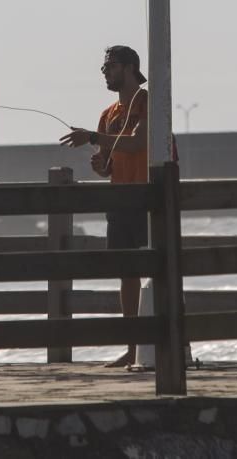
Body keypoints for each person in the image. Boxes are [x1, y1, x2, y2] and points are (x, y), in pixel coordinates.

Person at [59, 45, 148, 368]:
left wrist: (94, 137)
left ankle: (160, 343)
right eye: (104, 67)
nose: (105, 72)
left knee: (155, 272)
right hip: (119, 198)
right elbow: (108, 166)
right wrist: (100, 164)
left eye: (110, 66)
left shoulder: (148, 102)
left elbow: (140, 143)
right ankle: (133, 345)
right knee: (126, 274)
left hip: (146, 198)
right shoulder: (108, 113)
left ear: (128, 67)